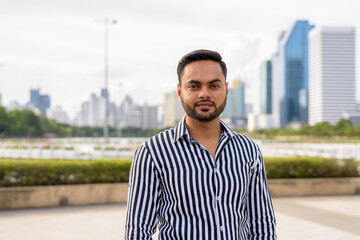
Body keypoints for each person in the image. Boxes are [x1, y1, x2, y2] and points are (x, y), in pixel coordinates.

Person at [125, 49, 276, 239]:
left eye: (214, 86)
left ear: (226, 90)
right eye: (194, 86)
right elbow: (138, 231)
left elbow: (262, 224)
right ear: (180, 92)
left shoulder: (248, 151)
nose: (204, 94)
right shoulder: (153, 152)